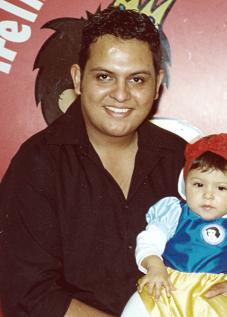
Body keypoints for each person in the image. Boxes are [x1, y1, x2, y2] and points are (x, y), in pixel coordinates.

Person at [0, 6, 186, 317]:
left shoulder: (181, 158)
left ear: (157, 85)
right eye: (104, 77)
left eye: (137, 80)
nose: (121, 94)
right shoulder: (38, 161)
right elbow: (27, 290)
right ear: (77, 78)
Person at [121, 133, 227, 317]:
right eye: (199, 185)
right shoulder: (174, 213)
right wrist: (154, 266)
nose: (208, 194)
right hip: (167, 286)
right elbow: (149, 240)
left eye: (221, 188)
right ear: (186, 184)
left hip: (216, 297)